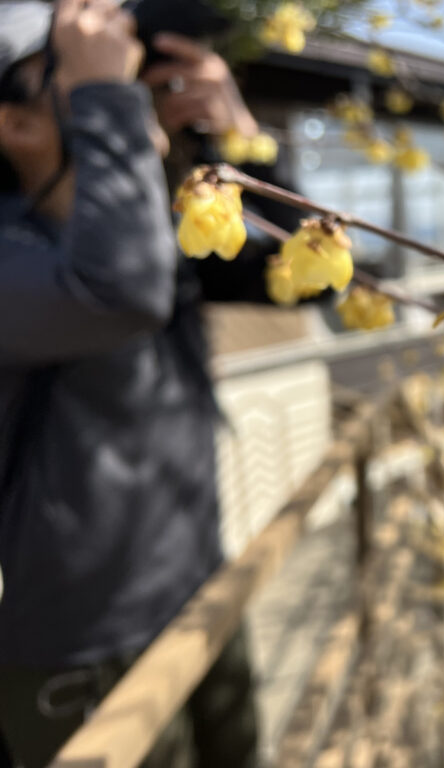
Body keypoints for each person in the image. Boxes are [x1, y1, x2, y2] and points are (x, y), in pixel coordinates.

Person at [0, 1, 295, 765]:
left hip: (198, 594)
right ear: (16, 125)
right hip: (81, 655)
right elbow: (121, 292)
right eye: (86, 67)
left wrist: (240, 144)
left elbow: (302, 279)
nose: (127, 77)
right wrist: (114, 110)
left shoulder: (148, 233)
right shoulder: (19, 256)